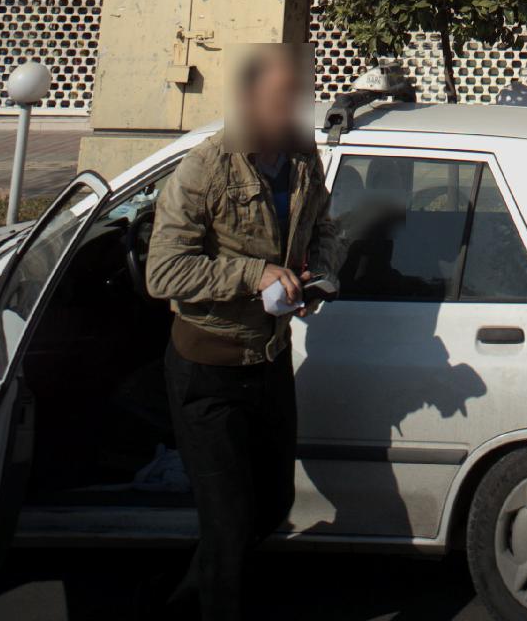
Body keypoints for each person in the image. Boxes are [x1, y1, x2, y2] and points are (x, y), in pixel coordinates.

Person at [146, 43, 344, 621]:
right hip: (207, 371)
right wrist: (254, 274)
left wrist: (318, 274)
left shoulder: (303, 156)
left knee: (272, 504)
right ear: (251, 97)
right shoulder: (205, 169)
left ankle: (179, 603)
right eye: (283, 96)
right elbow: (163, 272)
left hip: (269, 361)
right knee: (228, 525)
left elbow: (325, 227)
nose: (294, 109)